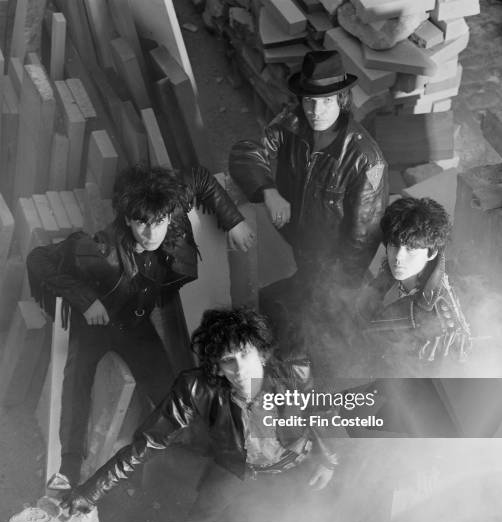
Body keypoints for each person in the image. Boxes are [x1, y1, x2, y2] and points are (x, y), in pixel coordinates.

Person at [27, 165, 255, 487]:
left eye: (158, 223)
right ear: (127, 219)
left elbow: (199, 178)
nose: (151, 234)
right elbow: (38, 259)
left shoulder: (167, 209)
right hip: (95, 324)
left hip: (134, 324)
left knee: (169, 392)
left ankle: (208, 455)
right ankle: (69, 469)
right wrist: (85, 300)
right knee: (77, 382)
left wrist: (233, 221)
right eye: (141, 224)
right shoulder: (97, 248)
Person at [61, 307, 339, 522]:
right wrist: (91, 491)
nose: (239, 370)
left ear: (262, 354)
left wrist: (328, 459)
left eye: (245, 355)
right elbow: (148, 442)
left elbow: (323, 413)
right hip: (238, 468)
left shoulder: (293, 373)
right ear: (217, 368)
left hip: (295, 461)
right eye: (228, 361)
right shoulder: (196, 387)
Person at [228, 49, 388, 366]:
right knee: (267, 313)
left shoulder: (365, 160)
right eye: (309, 101)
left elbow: (362, 240)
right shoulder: (291, 125)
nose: (315, 110)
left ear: (342, 100)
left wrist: (332, 295)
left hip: (331, 267)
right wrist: (269, 191)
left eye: (326, 101)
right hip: (297, 248)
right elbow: (245, 153)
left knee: (302, 344)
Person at [357, 196, 472, 376]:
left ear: (431, 253)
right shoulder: (390, 273)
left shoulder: (440, 323)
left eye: (410, 249)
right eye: (394, 245)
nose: (398, 258)